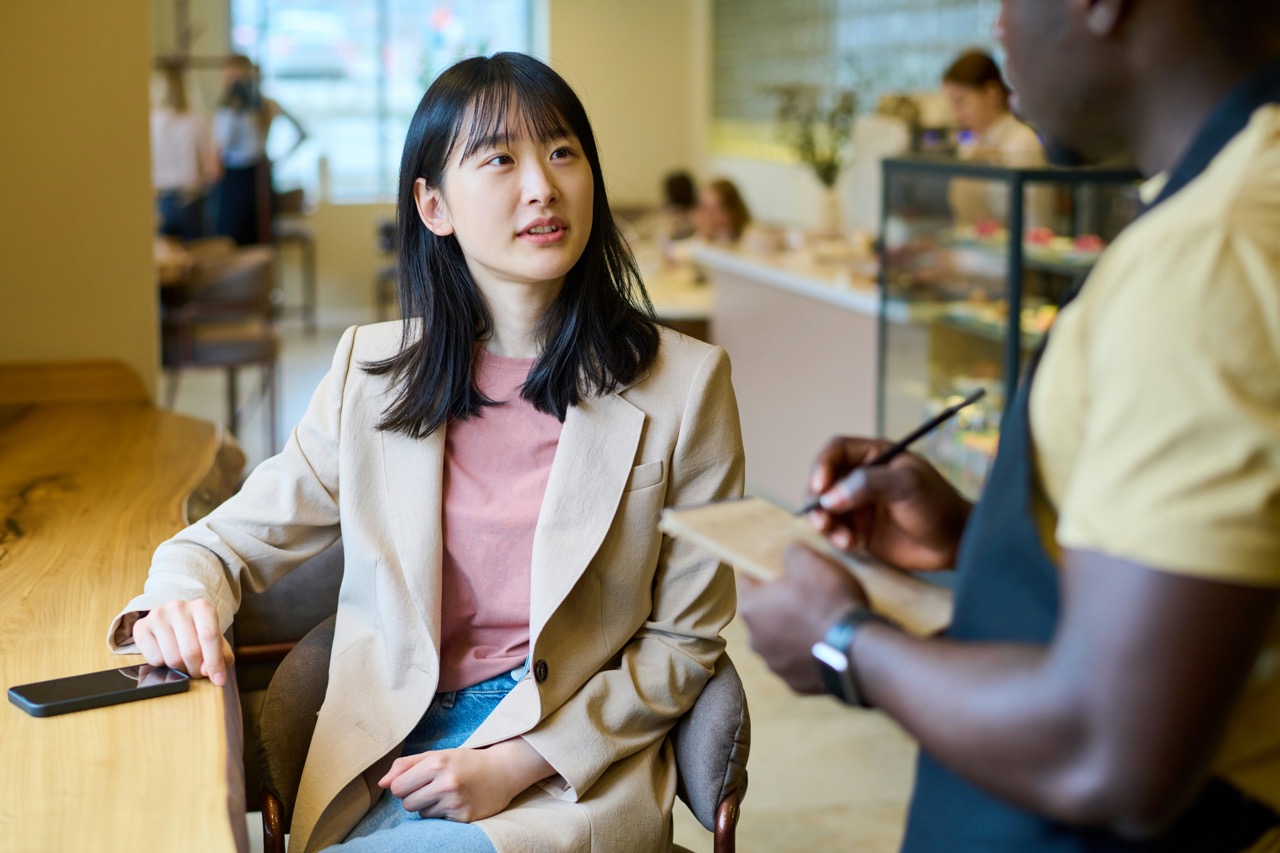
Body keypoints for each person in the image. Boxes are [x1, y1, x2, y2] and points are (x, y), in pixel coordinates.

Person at [109, 52, 744, 853]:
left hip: (564, 765)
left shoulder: (687, 382)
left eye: (562, 151)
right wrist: (175, 601)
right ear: (434, 204)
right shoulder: (370, 374)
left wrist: (513, 762)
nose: (543, 186)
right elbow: (231, 538)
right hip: (388, 744)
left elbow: (685, 641)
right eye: (501, 159)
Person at [739, 1, 1280, 850]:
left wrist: (844, 642)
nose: (997, 30)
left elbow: (1108, 751)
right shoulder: (1247, 195)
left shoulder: (1207, 257)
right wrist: (983, 537)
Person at [942, 49, 1052, 229]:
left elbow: (1037, 224)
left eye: (960, 101)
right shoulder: (969, 145)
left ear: (991, 93)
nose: (956, 115)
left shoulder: (1021, 141)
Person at [212, 54, 307, 245]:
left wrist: (278, 159)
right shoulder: (234, 108)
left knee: (250, 239)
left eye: (233, 78)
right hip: (244, 175)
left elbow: (302, 133)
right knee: (239, 241)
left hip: (249, 177)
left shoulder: (255, 107)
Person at [150, 63, 220, 241]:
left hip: (158, 202)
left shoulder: (150, 122)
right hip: (190, 201)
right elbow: (212, 169)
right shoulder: (197, 121)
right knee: (196, 260)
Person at [694, 178, 752, 245]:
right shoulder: (704, 235)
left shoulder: (749, 236)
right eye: (703, 208)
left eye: (713, 210)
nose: (705, 216)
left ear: (730, 211)